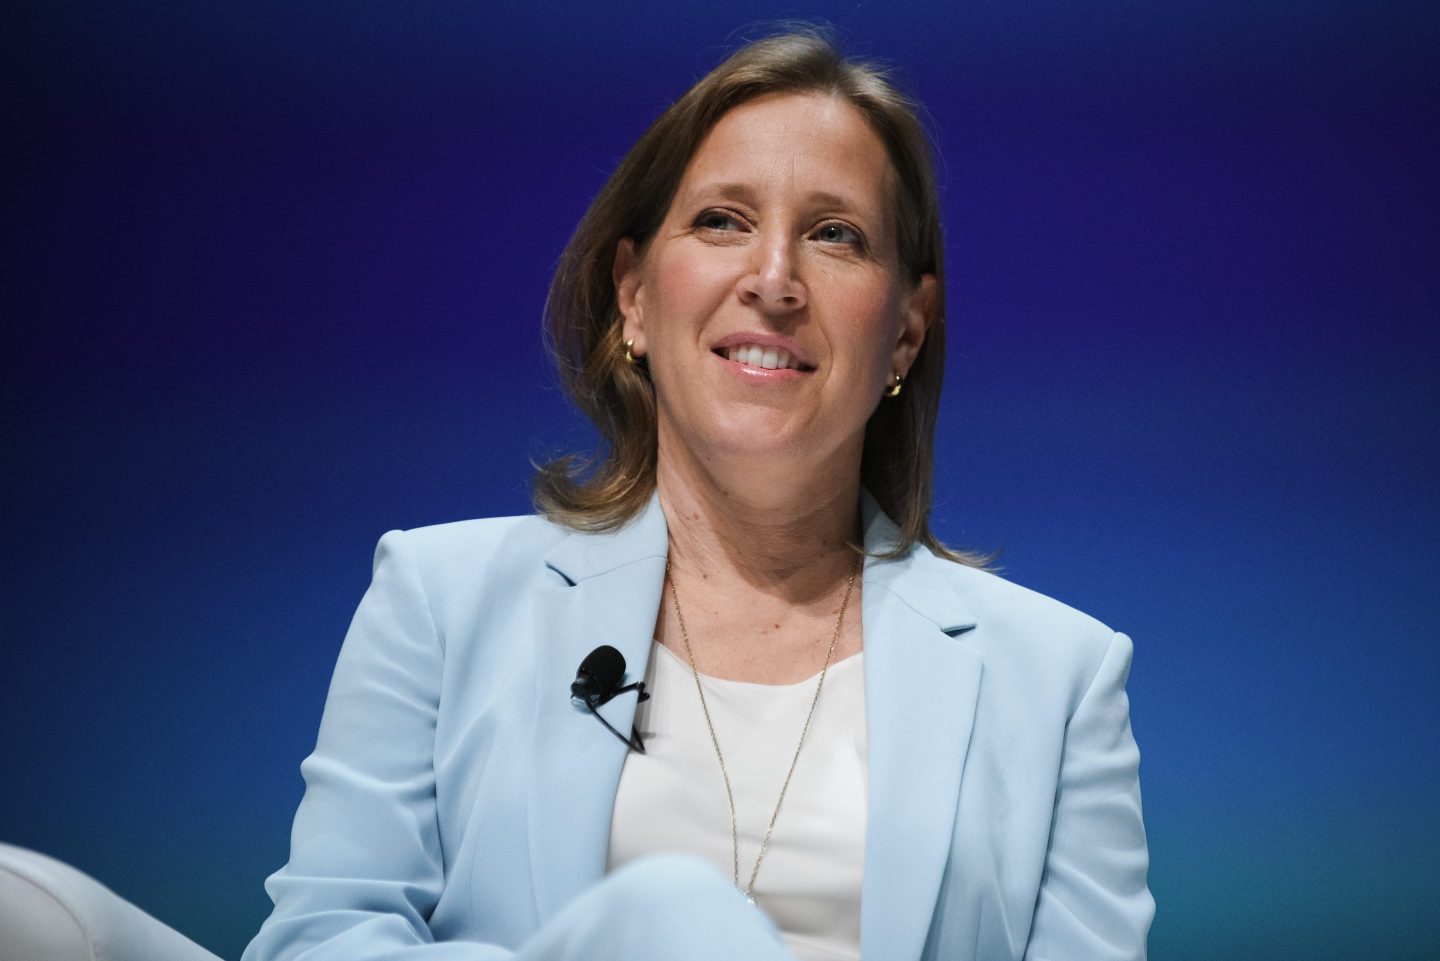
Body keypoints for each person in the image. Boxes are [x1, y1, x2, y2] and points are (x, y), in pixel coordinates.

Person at [243, 29, 1153, 961]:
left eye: (835, 235)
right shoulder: (440, 601)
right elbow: (321, 939)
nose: (773, 281)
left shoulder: (1059, 681)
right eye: (723, 220)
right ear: (633, 296)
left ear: (907, 332)